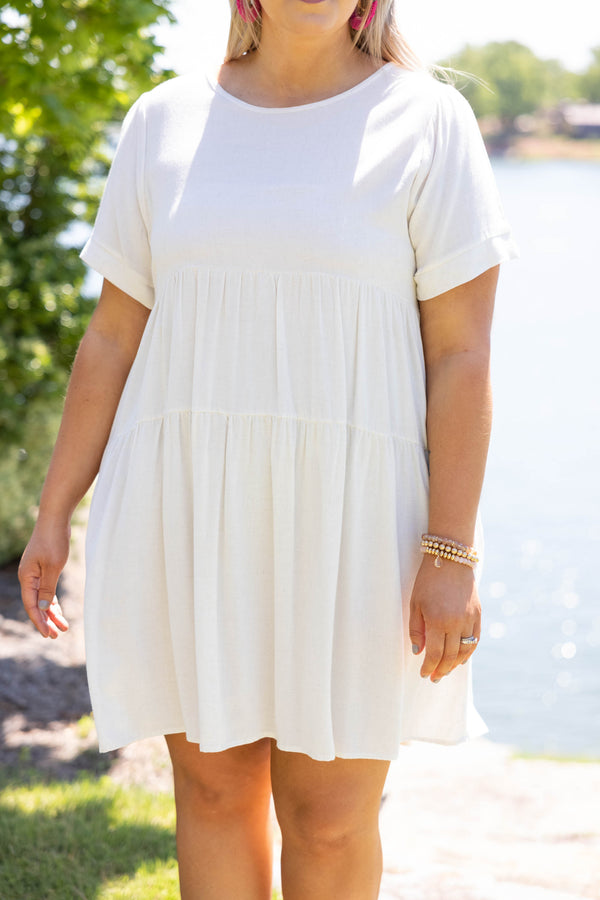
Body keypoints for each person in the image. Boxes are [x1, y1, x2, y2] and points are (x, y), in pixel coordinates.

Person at [19, 0, 519, 897]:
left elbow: (462, 356)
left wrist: (450, 550)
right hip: (185, 506)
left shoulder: (429, 121)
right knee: (212, 794)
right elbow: (111, 339)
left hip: (357, 524)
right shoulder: (163, 120)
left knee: (329, 820)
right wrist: (54, 511)